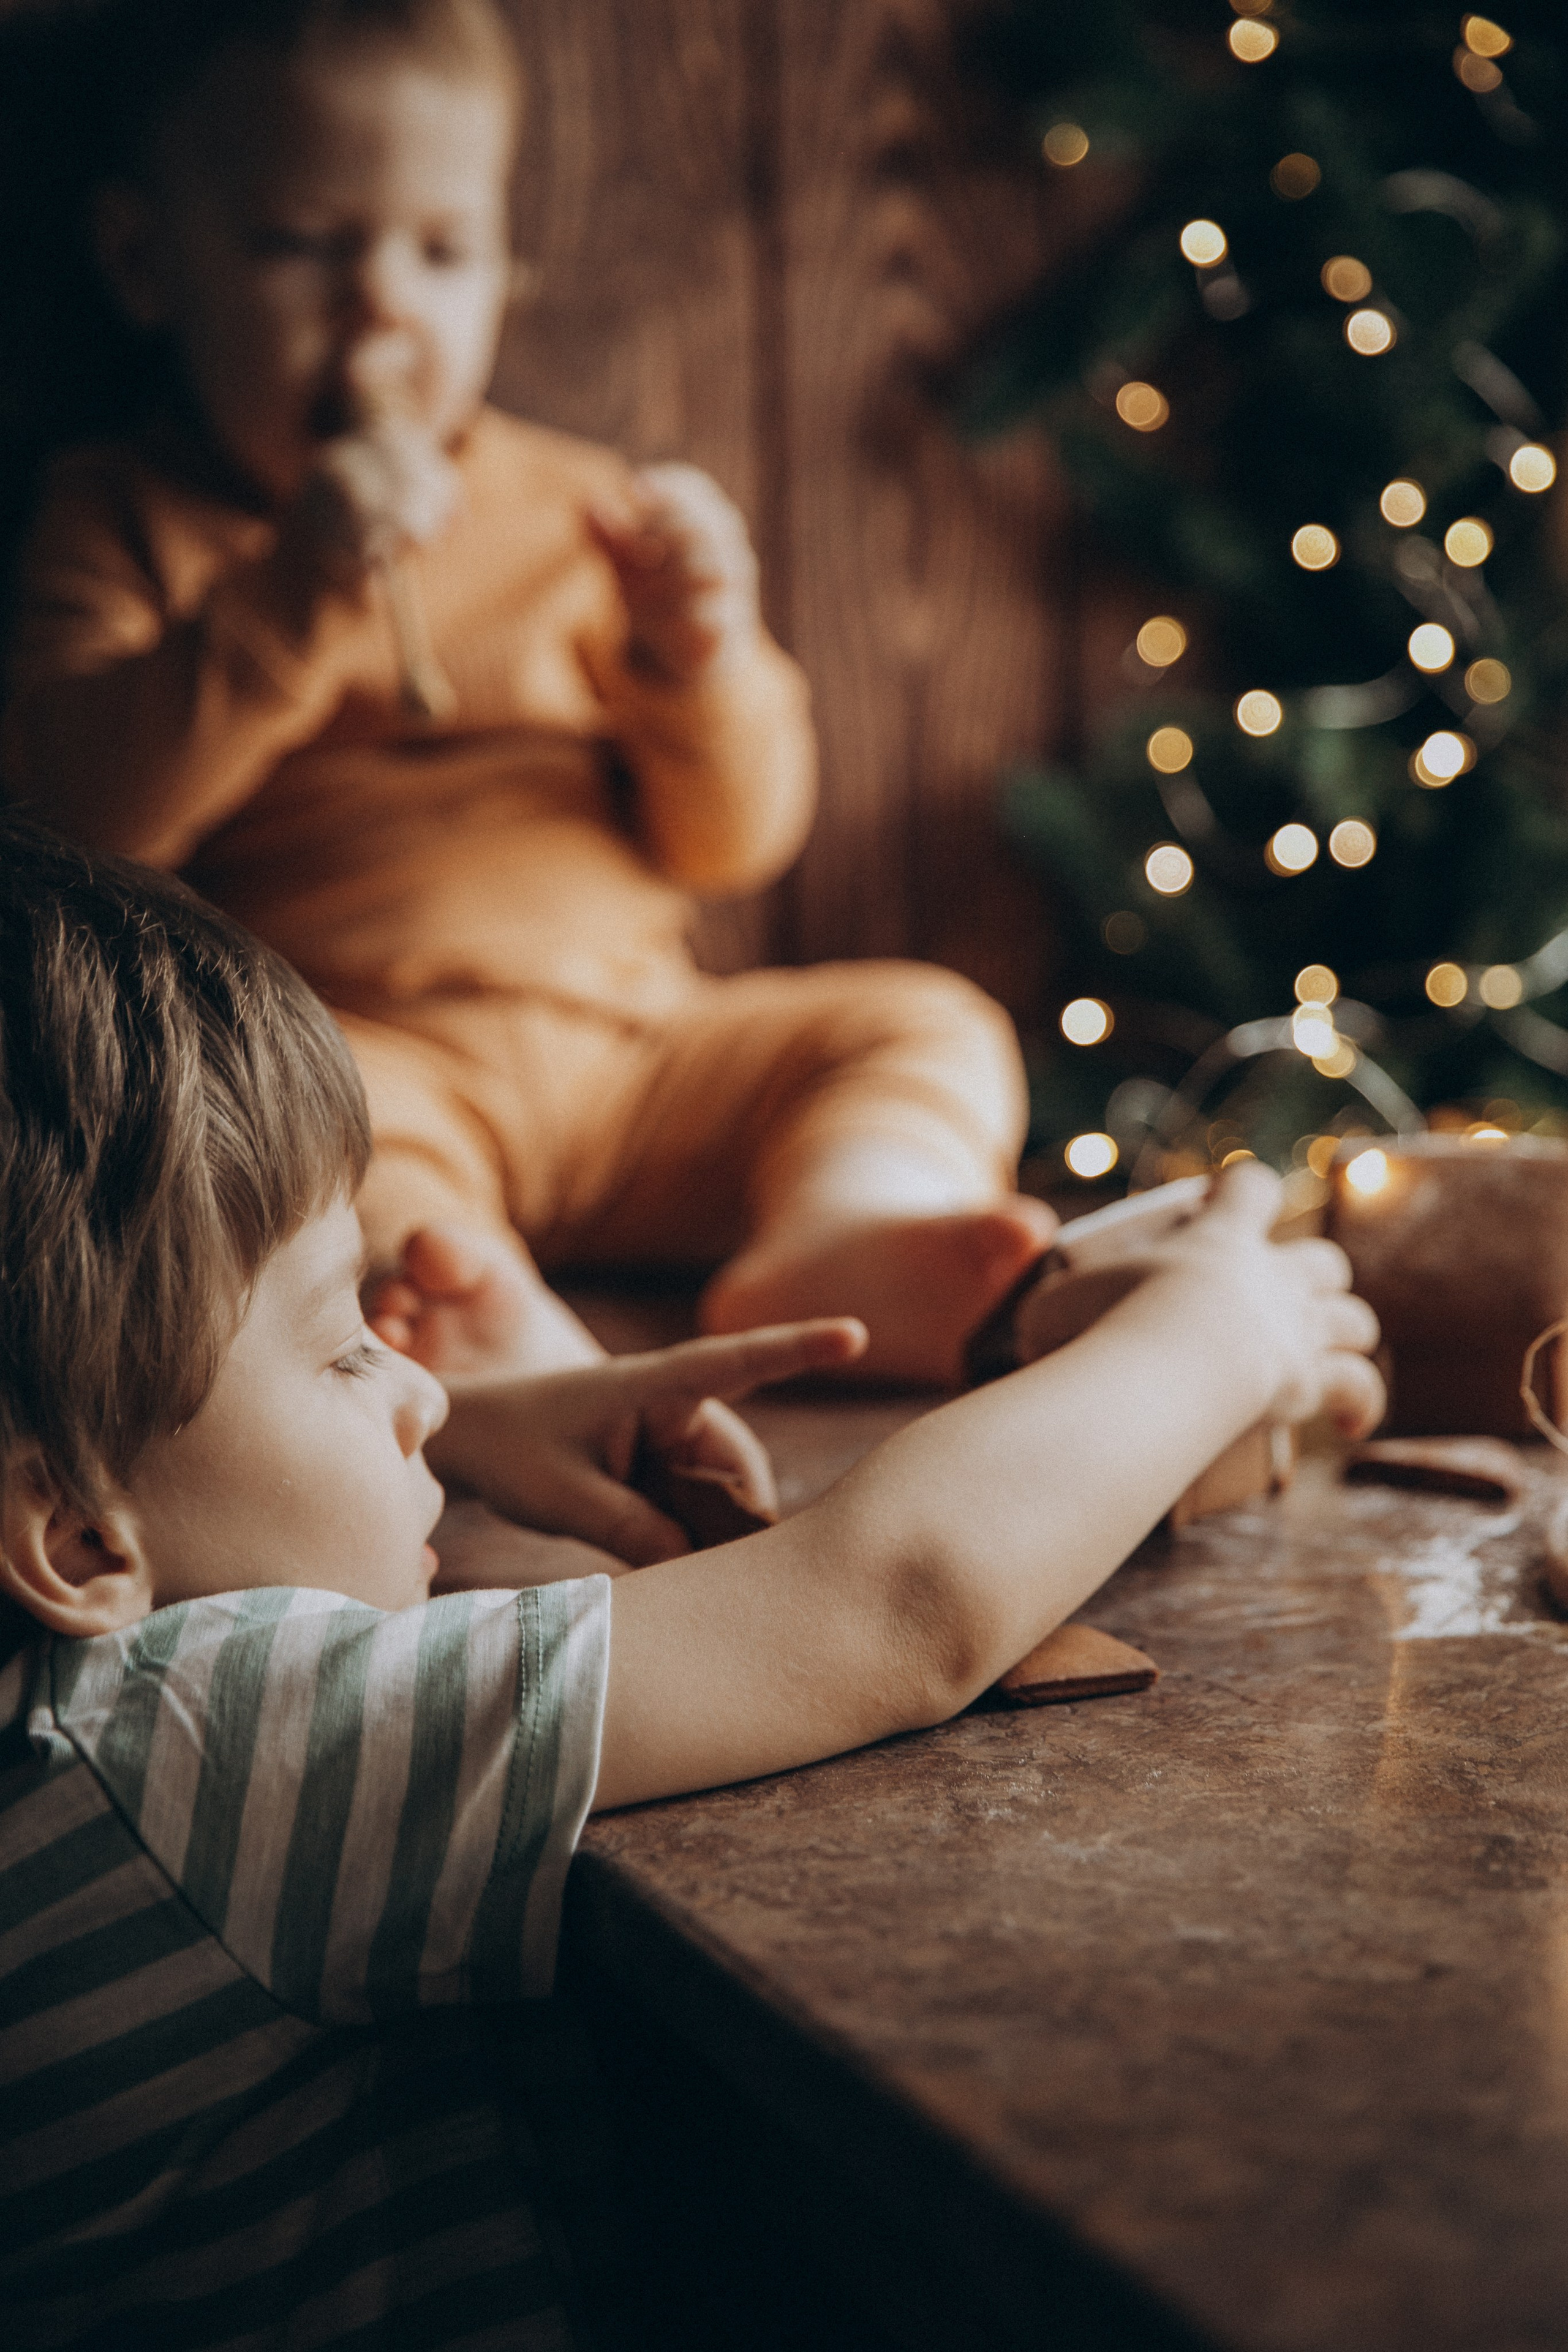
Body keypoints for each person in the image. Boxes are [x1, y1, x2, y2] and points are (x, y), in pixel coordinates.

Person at [0, 815, 1381, 2348]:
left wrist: (486, 1429)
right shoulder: (179, 1759)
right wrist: (1216, 1327)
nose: (423, 1400)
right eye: (342, 1347)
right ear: (74, 1541)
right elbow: (893, 1605)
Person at [1, 0, 1060, 1396]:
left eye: (439, 252)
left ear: (504, 280)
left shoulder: (580, 513)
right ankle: (468, 1303)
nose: (381, 301)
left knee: (922, 1022)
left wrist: (699, 663)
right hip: (358, 1054)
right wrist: (296, 591)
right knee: (274, 1159)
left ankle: (839, 1227)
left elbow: (729, 842)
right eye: (304, 245)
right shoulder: (129, 521)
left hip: (648, 1060)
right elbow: (81, 818)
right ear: (147, 264)